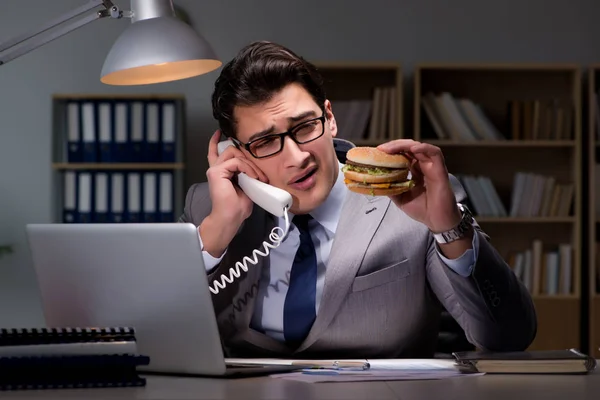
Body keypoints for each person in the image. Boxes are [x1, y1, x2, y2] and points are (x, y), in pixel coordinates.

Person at [179, 41, 537, 359]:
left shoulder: (417, 201)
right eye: (265, 142)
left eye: (305, 127)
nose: (296, 157)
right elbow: (153, 335)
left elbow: (508, 338)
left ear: (330, 118)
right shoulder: (205, 208)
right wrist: (216, 233)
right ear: (237, 153)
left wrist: (449, 229)